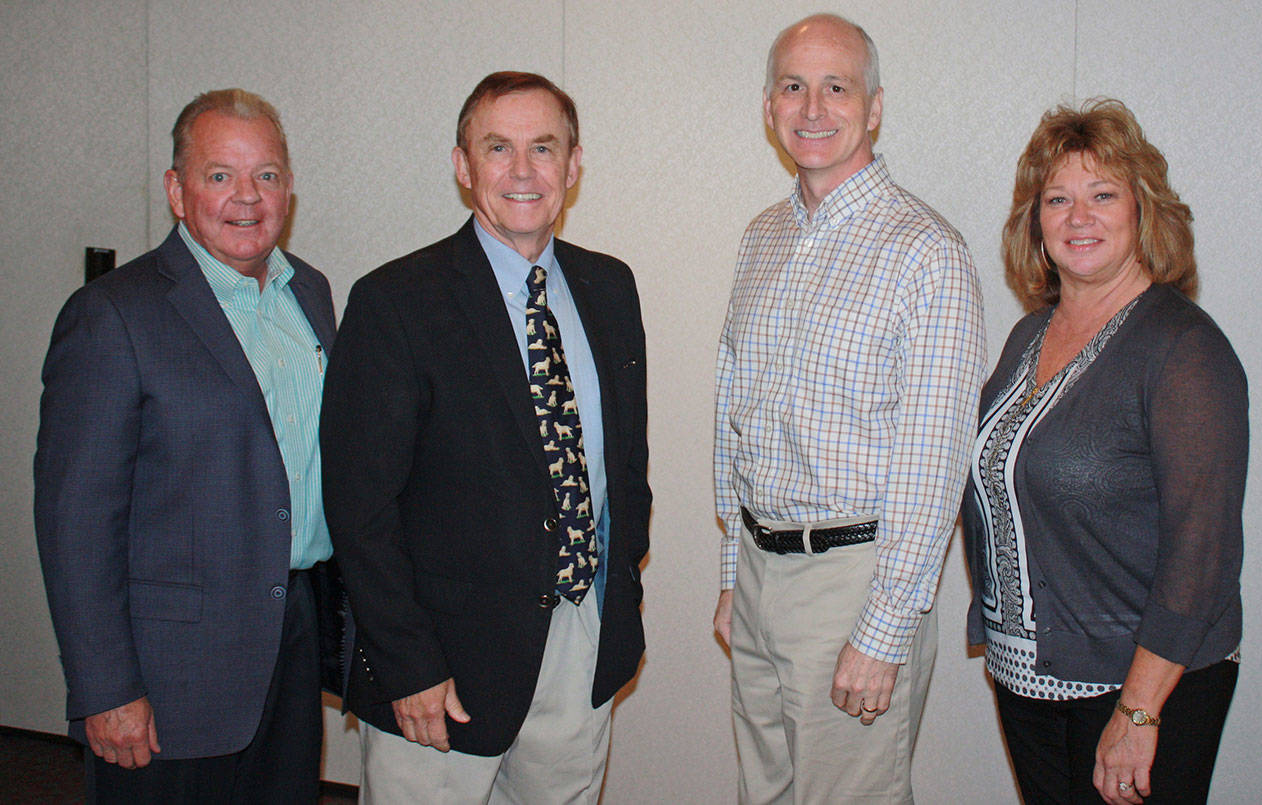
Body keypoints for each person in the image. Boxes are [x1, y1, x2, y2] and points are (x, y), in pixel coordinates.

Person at [320, 71, 650, 803]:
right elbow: (359, 507)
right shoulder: (395, 302)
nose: (524, 171)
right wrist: (407, 662)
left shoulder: (610, 288)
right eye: (498, 148)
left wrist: (612, 594)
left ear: (574, 163)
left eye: (544, 147)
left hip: (579, 643)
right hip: (443, 669)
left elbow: (625, 468)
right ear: (463, 166)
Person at [34, 88, 342, 802]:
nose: (247, 196)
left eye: (266, 174)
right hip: (168, 676)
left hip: (291, 638)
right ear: (176, 190)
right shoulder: (113, 315)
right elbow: (76, 522)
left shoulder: (312, 295)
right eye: (219, 175)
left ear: (289, 189)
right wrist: (104, 686)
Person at [712, 14, 986, 803]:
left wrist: (885, 627)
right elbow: (735, 411)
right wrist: (735, 572)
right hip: (761, 571)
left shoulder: (926, 250)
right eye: (794, 86)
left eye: (838, 86)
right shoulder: (761, 237)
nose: (813, 107)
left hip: (854, 581)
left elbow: (934, 459)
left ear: (873, 107)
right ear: (769, 105)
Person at [961, 98, 1246, 805]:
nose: (1077, 216)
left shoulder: (1184, 350)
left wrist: (1139, 711)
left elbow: (1202, 554)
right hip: (1028, 685)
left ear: (1143, 209)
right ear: (1036, 221)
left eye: (1102, 194)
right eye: (1057, 198)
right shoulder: (1029, 337)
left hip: (1135, 690)